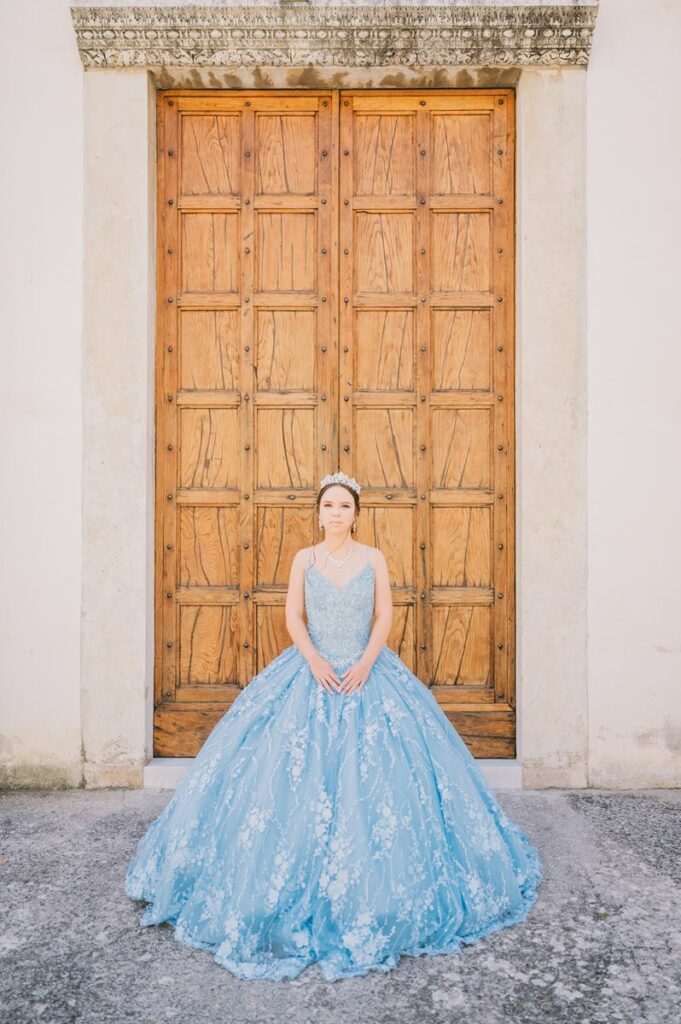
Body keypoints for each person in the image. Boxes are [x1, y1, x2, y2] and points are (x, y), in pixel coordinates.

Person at [125, 471, 543, 982]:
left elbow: (384, 615)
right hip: (313, 671)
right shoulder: (305, 558)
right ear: (319, 513)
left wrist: (367, 663)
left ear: (356, 513)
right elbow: (293, 616)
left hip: (368, 672)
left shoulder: (374, 559)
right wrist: (316, 662)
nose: (337, 513)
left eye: (345, 505)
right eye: (329, 506)